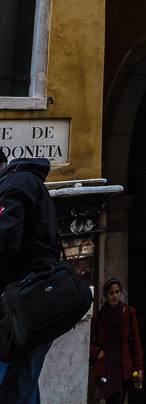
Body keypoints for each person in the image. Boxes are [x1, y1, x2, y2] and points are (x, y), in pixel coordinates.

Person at [0, 152, 60, 404]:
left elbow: (5, 243)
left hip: (18, 308)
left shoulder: (14, 184)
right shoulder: (29, 182)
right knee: (23, 385)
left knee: (13, 388)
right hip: (36, 304)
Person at [90, 279, 143, 404]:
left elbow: (136, 342)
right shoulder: (99, 317)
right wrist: (98, 352)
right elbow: (85, 341)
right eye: (111, 293)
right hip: (104, 368)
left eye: (117, 292)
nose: (115, 296)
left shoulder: (129, 313)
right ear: (106, 296)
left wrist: (139, 367)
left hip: (124, 369)